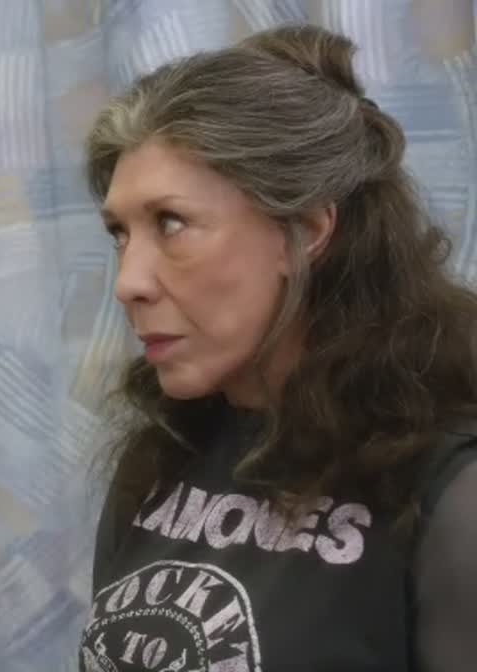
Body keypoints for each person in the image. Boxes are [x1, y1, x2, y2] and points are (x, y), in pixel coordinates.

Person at [79, 24, 477, 672]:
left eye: (170, 223)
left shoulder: (448, 491)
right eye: (120, 233)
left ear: (308, 230)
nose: (128, 282)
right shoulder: (158, 461)